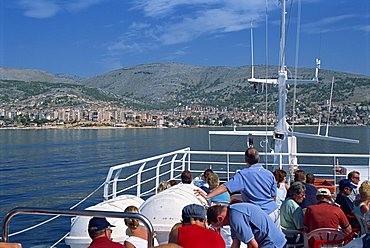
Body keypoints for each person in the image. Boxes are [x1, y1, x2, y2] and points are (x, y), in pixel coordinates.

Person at [195, 148, 279, 226]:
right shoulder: (269, 174)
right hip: (274, 212)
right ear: (258, 159)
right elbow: (273, 196)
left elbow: (225, 187)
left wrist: (207, 196)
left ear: (245, 160)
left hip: (260, 214)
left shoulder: (243, 175)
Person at [207, 203, 286, 248]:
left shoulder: (235, 218)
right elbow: (236, 243)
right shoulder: (232, 213)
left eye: (219, 226)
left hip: (272, 243)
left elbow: (253, 245)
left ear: (220, 218)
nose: (221, 227)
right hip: (272, 240)